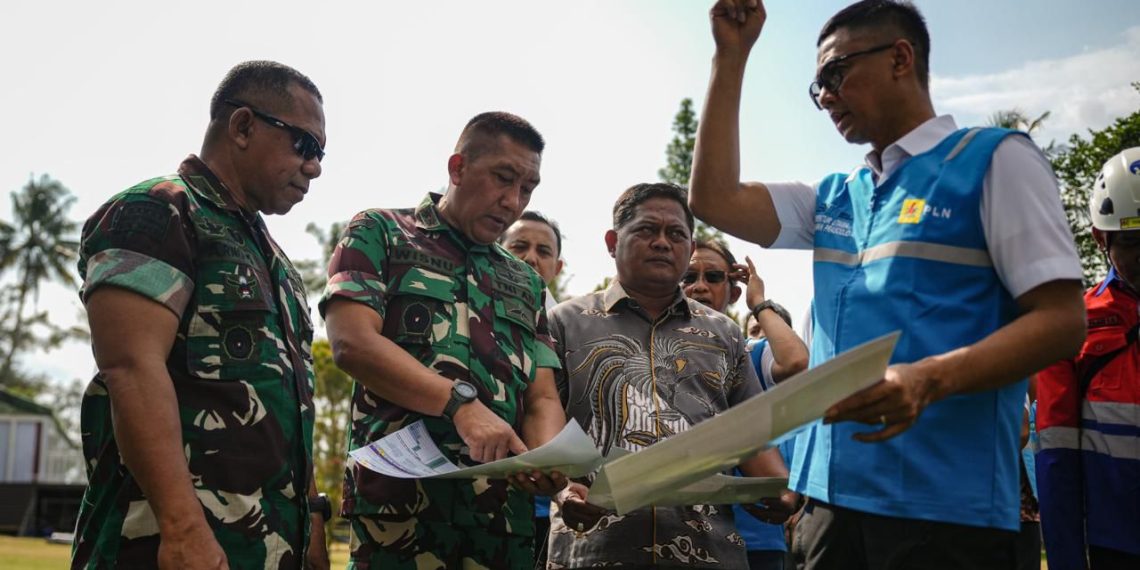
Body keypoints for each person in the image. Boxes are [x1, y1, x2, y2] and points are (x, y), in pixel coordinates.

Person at [690, 1, 1087, 568]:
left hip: (947, 510)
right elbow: (713, 199)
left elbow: (1062, 320)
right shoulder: (832, 196)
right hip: (827, 504)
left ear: (901, 58)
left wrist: (929, 378)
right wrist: (731, 55)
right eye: (816, 85)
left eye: (835, 73)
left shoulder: (994, 161)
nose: (825, 95)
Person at [72, 61, 329, 569]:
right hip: (167, 546)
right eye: (305, 145)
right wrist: (182, 527)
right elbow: (130, 369)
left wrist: (314, 523)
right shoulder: (158, 211)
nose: (315, 167)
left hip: (265, 550)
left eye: (322, 154)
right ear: (242, 127)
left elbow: (288, 408)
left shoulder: (276, 262)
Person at [321, 112, 568, 570]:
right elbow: (351, 343)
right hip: (399, 518)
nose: (513, 201)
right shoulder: (381, 232)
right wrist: (460, 405)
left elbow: (541, 396)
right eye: (502, 178)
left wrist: (549, 460)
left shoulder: (525, 282)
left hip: (499, 526)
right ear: (457, 168)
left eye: (527, 188)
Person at [547, 182, 798, 569]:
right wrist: (563, 489)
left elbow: (750, 432)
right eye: (647, 230)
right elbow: (543, 417)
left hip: (708, 549)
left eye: (676, 233)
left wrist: (779, 488)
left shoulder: (725, 333)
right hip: (594, 547)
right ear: (613, 241)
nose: (663, 242)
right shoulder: (565, 322)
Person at [1037, 148, 1140, 570]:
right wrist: (1065, 560)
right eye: (1134, 241)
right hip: (1115, 546)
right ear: (1102, 238)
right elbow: (1055, 455)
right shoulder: (1072, 327)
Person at [682, 239, 808, 570]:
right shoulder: (655, 356)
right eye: (688, 276)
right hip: (678, 534)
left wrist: (759, 301)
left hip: (754, 536)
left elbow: (796, 363)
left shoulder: (749, 354)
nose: (699, 287)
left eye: (713, 277)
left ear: (733, 292)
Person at [499, 210, 567, 568]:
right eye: (519, 246)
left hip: (558, 503)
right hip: (493, 498)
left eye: (544, 251)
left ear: (558, 266)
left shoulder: (572, 328)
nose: (531, 258)